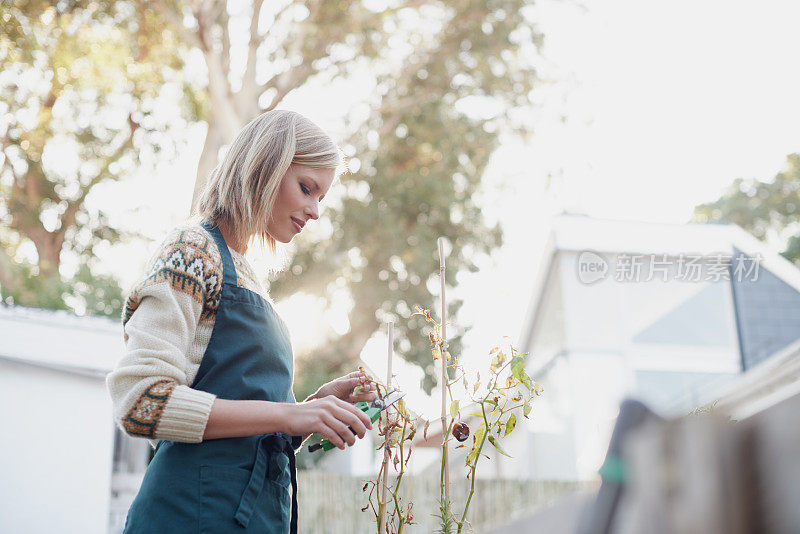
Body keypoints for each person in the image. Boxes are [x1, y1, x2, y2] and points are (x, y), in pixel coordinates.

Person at [106, 110, 377, 534]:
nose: (315, 210)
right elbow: (142, 402)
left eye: (321, 198)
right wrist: (287, 416)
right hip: (190, 515)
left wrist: (310, 410)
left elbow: (254, 432)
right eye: (307, 188)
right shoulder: (193, 251)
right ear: (265, 168)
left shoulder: (250, 277)